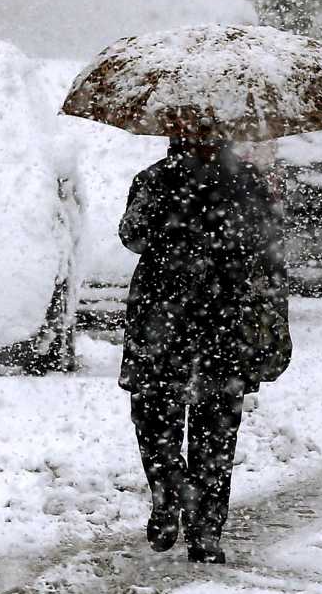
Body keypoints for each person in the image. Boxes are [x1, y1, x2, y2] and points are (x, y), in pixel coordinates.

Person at [118, 137, 293, 563]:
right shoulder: (249, 183)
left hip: (164, 319)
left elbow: (132, 237)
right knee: (216, 425)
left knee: (155, 416)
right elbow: (269, 254)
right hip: (224, 323)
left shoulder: (156, 179)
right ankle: (206, 530)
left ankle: (170, 493)